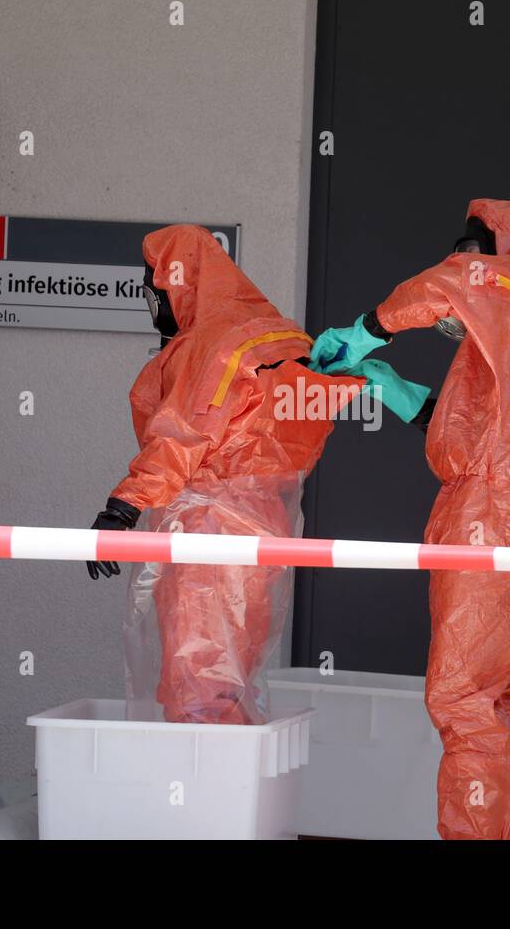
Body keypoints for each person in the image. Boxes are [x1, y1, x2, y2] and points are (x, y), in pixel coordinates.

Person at [310, 199, 510, 838]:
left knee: (462, 699)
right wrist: (385, 382)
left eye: (467, 258)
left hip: (487, 518)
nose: (459, 272)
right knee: (499, 699)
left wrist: (366, 330)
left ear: (498, 256)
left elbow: (449, 285)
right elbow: (477, 426)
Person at [89, 224, 382, 725]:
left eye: (153, 288)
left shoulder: (214, 345)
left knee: (197, 679)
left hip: (207, 527)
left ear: (175, 284)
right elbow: (310, 424)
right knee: (232, 676)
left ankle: (193, 795)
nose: (152, 300)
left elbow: (185, 434)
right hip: (265, 525)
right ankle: (231, 794)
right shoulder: (283, 339)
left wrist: (123, 509)